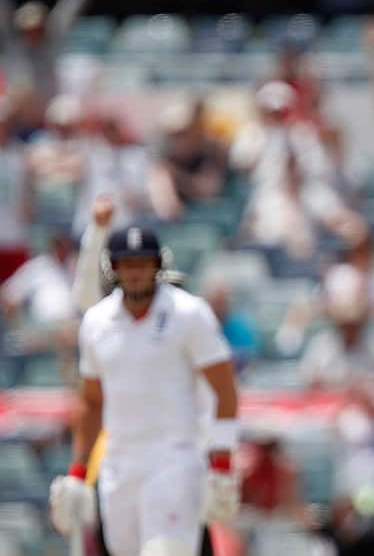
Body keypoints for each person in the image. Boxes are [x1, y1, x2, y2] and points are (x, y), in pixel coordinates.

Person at [48, 226, 241, 556]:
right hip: (118, 467)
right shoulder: (97, 322)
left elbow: (224, 390)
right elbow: (92, 403)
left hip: (174, 460)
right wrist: (79, 471)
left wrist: (221, 460)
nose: (135, 272)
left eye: (142, 263)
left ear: (157, 265)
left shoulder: (188, 314)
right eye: (127, 264)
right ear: (114, 268)